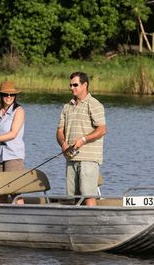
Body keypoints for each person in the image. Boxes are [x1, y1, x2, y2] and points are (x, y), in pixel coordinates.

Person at [56, 71, 106, 206]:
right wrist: (63, 144)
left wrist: (83, 140)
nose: (72, 88)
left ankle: (93, 223)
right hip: (71, 158)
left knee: (88, 195)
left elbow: (102, 129)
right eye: (70, 85)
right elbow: (60, 131)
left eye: (75, 85)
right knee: (74, 197)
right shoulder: (67, 107)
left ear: (85, 85)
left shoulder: (94, 104)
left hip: (89, 159)